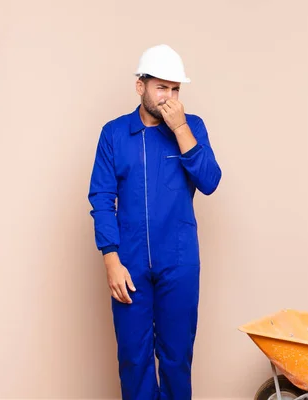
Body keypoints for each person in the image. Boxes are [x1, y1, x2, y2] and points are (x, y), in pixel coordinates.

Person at [88, 44, 222, 400]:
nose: (169, 98)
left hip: (178, 262)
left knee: (177, 358)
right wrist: (111, 260)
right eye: (162, 88)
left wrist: (180, 129)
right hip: (128, 264)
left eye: (176, 90)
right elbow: (101, 199)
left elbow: (210, 181)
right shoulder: (114, 134)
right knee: (134, 360)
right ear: (141, 87)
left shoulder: (192, 128)